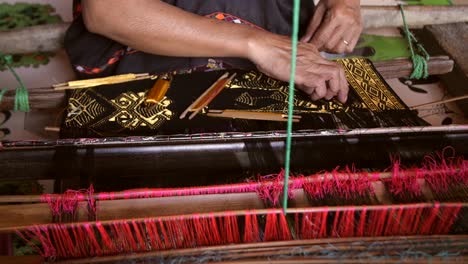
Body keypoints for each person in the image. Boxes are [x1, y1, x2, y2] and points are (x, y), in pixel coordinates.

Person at [65, 0, 362, 104]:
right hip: (155, 31)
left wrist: (346, 1)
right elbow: (108, 10)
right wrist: (256, 43)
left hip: (271, 20)